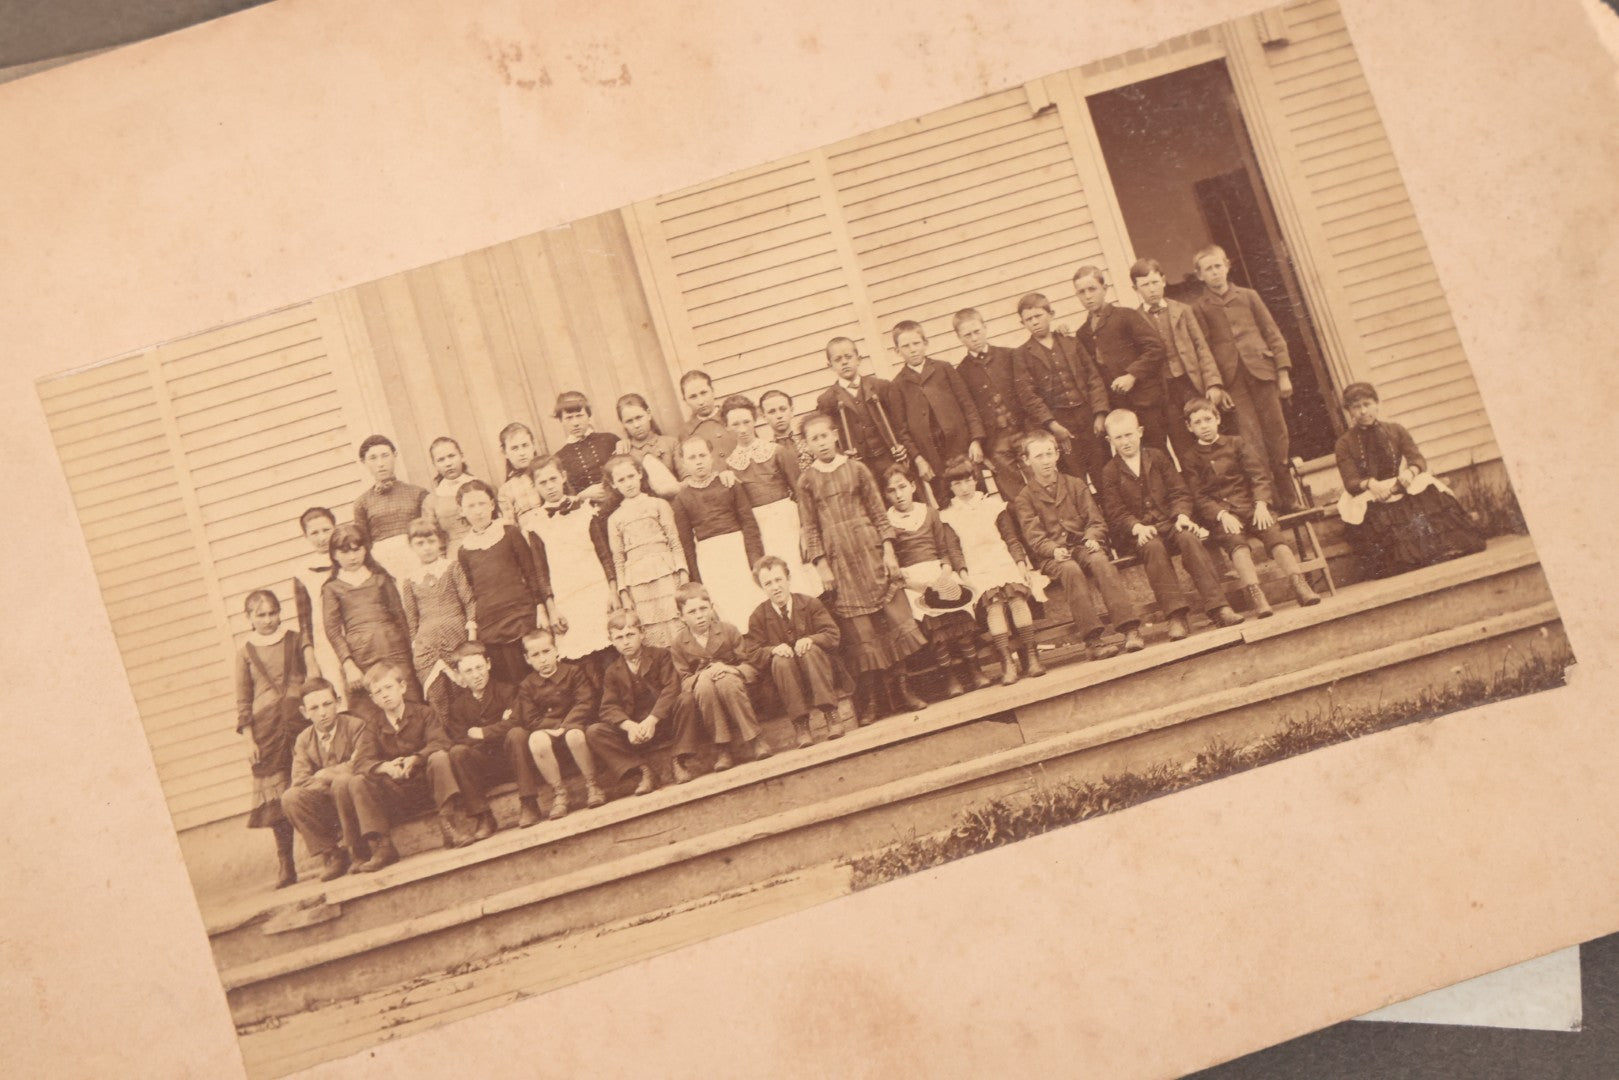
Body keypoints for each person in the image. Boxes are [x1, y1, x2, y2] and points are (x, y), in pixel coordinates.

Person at [797, 412, 928, 719]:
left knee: (890, 623)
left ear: (835, 436)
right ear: (807, 444)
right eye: (814, 438)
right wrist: (821, 565)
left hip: (870, 552)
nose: (822, 443)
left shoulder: (857, 470)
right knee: (862, 635)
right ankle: (874, 702)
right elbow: (810, 527)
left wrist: (889, 551)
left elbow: (879, 513)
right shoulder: (806, 481)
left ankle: (904, 692)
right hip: (840, 561)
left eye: (825, 436)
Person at [1098, 409, 1245, 640]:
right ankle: (1175, 615)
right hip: (1140, 532)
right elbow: (1115, 512)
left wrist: (1182, 516)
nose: (1125, 442)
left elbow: (1179, 492)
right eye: (1118, 438)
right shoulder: (1110, 472)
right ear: (1110, 440)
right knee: (1153, 548)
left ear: (1140, 432)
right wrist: (1136, 527)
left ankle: (1218, 607)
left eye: (1129, 435)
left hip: (1170, 521)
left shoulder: (1157, 458)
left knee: (1189, 538)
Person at [1179, 397, 1322, 614]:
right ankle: (1257, 596)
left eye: (1208, 419)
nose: (1204, 426)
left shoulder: (1237, 443)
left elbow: (1258, 477)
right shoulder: (1190, 458)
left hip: (1252, 506)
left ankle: (1299, 584)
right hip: (1224, 515)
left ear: (1217, 419)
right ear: (1189, 427)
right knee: (1236, 543)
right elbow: (1199, 496)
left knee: (1272, 533)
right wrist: (1221, 515)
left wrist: (1261, 504)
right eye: (1197, 422)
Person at [1011, 429, 1145, 660]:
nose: (1046, 461)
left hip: (1083, 545)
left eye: (1049, 454)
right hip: (1053, 557)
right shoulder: (1024, 498)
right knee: (1070, 569)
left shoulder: (1075, 485)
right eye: (1039, 456)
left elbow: (1095, 520)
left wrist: (1092, 537)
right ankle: (1093, 640)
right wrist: (1054, 549)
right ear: (1026, 461)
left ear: (1057, 455)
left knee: (1101, 561)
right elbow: (1034, 538)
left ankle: (1129, 629)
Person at [1333, 382, 1485, 578]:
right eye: (1356, 407)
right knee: (1375, 515)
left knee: (1426, 484)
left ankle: (1443, 547)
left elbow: (1417, 458)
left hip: (1398, 483)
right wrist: (1370, 483)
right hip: (1370, 491)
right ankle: (1407, 558)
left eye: (1367, 404)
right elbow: (1351, 481)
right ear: (1349, 411)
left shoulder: (1395, 430)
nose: (1363, 411)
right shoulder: (1344, 443)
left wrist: (1410, 472)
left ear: (1377, 404)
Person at [1190, 245, 1298, 509]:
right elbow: (1204, 350)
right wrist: (1217, 386)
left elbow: (1272, 334)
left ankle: (1290, 498)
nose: (1214, 273)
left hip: (1262, 373)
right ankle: (1267, 501)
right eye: (1208, 269)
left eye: (1218, 266)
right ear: (1200, 275)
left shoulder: (1249, 297)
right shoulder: (1199, 308)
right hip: (1233, 382)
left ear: (1227, 266)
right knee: (1250, 441)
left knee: (1277, 434)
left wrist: (1282, 374)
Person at [340, 662, 468, 871]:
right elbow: (362, 762)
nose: (385, 695)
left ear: (402, 687)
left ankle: (449, 825)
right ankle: (382, 846)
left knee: (439, 757)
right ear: (373, 699)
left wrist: (416, 758)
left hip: (428, 786)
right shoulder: (373, 726)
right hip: (397, 793)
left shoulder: (424, 713)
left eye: (389, 687)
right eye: (378, 692)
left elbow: (441, 742)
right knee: (358, 780)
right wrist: (385, 767)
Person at [938, 459, 1047, 685]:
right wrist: (965, 576)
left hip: (1003, 561)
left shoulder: (993, 505)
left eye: (968, 481)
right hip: (977, 570)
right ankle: (1007, 662)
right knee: (994, 606)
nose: (965, 488)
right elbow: (955, 550)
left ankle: (1032, 655)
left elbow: (1011, 539)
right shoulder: (948, 515)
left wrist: (1020, 564)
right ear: (950, 487)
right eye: (958, 484)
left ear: (975, 480)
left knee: (1017, 600)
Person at [881, 467, 986, 697]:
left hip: (939, 571)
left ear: (913, 486)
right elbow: (894, 566)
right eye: (891, 491)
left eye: (902, 487)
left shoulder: (929, 513)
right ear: (886, 495)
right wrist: (915, 585)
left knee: (956, 604)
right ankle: (950, 676)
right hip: (911, 580)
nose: (898, 494)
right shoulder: (887, 523)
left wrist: (945, 574)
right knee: (931, 619)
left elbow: (944, 550)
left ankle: (974, 668)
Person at [585, 609, 706, 797]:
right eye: (619, 638)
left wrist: (652, 720)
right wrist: (629, 726)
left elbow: (672, 689)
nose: (625, 642)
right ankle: (643, 770)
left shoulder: (660, 656)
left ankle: (679, 759)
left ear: (642, 634)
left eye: (630, 635)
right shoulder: (612, 671)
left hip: (663, 722)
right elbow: (608, 707)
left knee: (686, 700)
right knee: (594, 731)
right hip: (636, 732)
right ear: (612, 641)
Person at [234, 589, 311, 888]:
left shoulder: (295, 639)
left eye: (272, 613)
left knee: (308, 787)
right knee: (277, 800)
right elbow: (243, 700)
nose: (268, 620)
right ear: (249, 618)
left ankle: (331, 852)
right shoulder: (245, 652)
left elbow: (312, 675)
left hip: (299, 724)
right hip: (266, 731)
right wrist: (249, 740)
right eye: (260, 615)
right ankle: (286, 863)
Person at [1129, 259, 1231, 468]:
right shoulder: (1134, 319)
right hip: (1164, 391)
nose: (1152, 289)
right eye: (1145, 285)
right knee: (1182, 444)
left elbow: (1201, 347)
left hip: (1190, 384)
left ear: (1164, 281)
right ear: (1135, 289)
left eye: (1155, 282)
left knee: (1207, 436)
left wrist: (1213, 383)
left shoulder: (1183, 310)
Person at [744, 556, 850, 747]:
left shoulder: (809, 604)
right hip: (785, 682)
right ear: (762, 587)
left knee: (810, 651)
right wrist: (773, 650)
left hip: (819, 671)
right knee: (780, 660)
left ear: (788, 579)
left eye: (779, 580)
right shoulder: (758, 617)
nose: (775, 587)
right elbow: (752, 652)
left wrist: (811, 639)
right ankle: (801, 725)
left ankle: (831, 715)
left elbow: (833, 634)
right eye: (768, 583)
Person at [721, 395, 820, 596]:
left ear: (756, 419)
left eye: (747, 422)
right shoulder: (730, 465)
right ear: (727, 427)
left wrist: (805, 531)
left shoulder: (777, 451)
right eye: (736, 424)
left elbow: (802, 494)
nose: (742, 429)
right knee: (774, 577)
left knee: (799, 572)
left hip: (787, 520)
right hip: (760, 527)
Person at [455, 479, 550, 686]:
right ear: (462, 511)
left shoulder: (509, 533)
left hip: (521, 615)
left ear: (491, 504)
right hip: (491, 624)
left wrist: (540, 608)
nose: (478, 511)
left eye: (482, 504)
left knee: (533, 672)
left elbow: (530, 572)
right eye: (471, 506)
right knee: (510, 680)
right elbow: (472, 588)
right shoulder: (464, 550)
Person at [669, 583, 773, 771]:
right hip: (704, 694)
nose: (699, 615)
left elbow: (750, 664)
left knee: (726, 680)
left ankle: (755, 739)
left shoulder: (728, 630)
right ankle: (722, 747)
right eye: (692, 612)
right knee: (704, 686)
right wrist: (703, 675)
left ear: (711, 608)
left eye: (703, 609)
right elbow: (684, 681)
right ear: (681, 617)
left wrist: (731, 669)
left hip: (737, 687)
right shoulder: (678, 644)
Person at [951, 307, 1050, 500]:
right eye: (967, 335)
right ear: (959, 338)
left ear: (985, 328)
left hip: (1024, 431)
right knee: (1015, 495)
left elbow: (1027, 393)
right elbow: (968, 409)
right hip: (996, 442)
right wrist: (978, 441)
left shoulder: (1009, 355)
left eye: (977, 331)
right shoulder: (961, 372)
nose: (974, 338)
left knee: (1041, 481)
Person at [1071, 266, 1172, 455]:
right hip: (1118, 407)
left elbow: (1156, 348)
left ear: (1105, 288)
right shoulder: (1082, 332)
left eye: (1092, 289)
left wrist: (1132, 375)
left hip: (1146, 401)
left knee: (1157, 453)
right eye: (1081, 292)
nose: (1088, 296)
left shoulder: (1126, 316)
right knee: (1132, 457)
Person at [1015, 292, 1111, 487]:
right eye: (1028, 319)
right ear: (1022, 323)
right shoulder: (1022, 355)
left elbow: (1093, 377)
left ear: (1051, 314)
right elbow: (1028, 396)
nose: (1034, 322)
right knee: (1074, 477)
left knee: (1103, 470)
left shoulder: (1071, 342)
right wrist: (1052, 425)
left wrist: (1100, 413)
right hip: (1060, 423)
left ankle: (1114, 516)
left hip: (1088, 417)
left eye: (1038, 316)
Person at [528, 455, 617, 666]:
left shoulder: (586, 512)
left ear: (563, 477)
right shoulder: (535, 525)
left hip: (598, 592)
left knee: (611, 654)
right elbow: (541, 571)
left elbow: (605, 555)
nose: (550, 487)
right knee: (583, 663)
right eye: (542, 483)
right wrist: (552, 609)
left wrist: (613, 591)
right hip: (567, 600)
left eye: (553, 479)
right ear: (535, 487)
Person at [279, 679, 369, 882]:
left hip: (357, 798)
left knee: (344, 782)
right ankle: (333, 854)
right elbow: (300, 780)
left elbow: (360, 765)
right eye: (314, 708)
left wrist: (327, 774)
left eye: (327, 704)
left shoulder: (356, 727)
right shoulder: (304, 739)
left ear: (338, 702)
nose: (322, 713)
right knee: (290, 797)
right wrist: (332, 782)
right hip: (328, 801)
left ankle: (358, 849)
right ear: (304, 712)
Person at [671, 435, 765, 629]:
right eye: (692, 458)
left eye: (702, 455)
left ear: (711, 457)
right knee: (726, 609)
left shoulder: (729, 483)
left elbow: (749, 524)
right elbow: (687, 543)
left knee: (752, 600)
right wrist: (696, 580)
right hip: (710, 558)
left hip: (738, 550)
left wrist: (755, 560)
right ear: (683, 463)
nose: (698, 462)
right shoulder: (682, 498)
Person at [321, 521, 418, 708]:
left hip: (395, 649)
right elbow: (332, 631)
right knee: (372, 707)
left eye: (356, 550)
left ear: (365, 549)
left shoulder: (380, 579)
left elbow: (400, 617)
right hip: (362, 656)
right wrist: (349, 665)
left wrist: (412, 650)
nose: (352, 557)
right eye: (345, 552)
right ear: (334, 555)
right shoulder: (332, 588)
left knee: (409, 698)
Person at [511, 628, 602, 822]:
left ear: (556, 650)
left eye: (546, 652)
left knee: (574, 735)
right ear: (527, 659)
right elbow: (530, 719)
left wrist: (567, 724)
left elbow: (585, 702)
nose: (542, 659)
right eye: (535, 655)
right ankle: (559, 792)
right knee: (536, 740)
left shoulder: (573, 672)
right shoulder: (527, 685)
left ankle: (592, 784)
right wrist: (555, 727)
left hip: (575, 726)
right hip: (547, 732)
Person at [889, 319, 985, 500]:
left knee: (976, 495)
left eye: (916, 343)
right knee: (946, 502)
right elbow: (902, 431)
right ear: (897, 351)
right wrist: (918, 459)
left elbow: (968, 405)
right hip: (932, 458)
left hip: (962, 448)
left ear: (925, 343)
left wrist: (976, 440)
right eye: (906, 346)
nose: (913, 349)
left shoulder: (944, 369)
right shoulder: (897, 385)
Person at [605, 454, 688, 648]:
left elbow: (675, 542)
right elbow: (618, 558)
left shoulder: (659, 504)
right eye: (621, 480)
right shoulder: (614, 519)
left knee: (676, 620)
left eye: (631, 476)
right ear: (614, 484)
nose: (628, 483)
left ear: (640, 474)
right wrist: (624, 592)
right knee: (651, 626)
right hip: (638, 581)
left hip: (666, 573)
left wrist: (683, 575)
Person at [398, 517, 475, 725]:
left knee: (462, 692)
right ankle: (448, 741)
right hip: (427, 644)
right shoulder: (410, 579)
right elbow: (411, 617)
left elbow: (467, 599)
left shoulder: (451, 567)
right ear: (411, 546)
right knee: (437, 696)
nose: (427, 548)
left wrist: (472, 631)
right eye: (420, 544)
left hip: (456, 636)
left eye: (431, 541)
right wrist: (416, 643)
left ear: (440, 541)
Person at [435, 642, 514, 842]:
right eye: (468, 671)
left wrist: (483, 733)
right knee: (458, 753)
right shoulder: (458, 706)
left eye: (479, 667)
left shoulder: (507, 691)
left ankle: (529, 804)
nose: (476, 675)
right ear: (460, 676)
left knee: (517, 735)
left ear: (488, 664)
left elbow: (516, 722)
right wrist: (499, 727)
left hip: (511, 757)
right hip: (483, 765)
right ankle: (483, 816)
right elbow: (460, 738)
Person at [814, 336, 915, 477]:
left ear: (859, 359)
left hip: (890, 459)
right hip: (858, 466)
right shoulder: (827, 400)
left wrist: (902, 446)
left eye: (848, 357)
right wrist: (841, 455)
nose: (844, 362)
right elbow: (826, 436)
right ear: (830, 366)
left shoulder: (881, 387)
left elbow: (900, 422)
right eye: (838, 359)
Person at [350, 434, 428, 581]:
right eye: (373, 458)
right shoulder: (362, 503)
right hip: (384, 566)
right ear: (364, 462)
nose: (380, 463)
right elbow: (364, 545)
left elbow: (429, 533)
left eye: (385, 456)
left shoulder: (418, 493)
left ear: (395, 455)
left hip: (417, 559)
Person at [290, 506, 345, 705]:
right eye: (314, 533)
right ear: (306, 536)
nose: (322, 537)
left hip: (356, 637)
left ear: (335, 528)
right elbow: (304, 622)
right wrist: (311, 662)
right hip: (326, 645)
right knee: (339, 699)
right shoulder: (303, 573)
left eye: (326, 530)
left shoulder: (350, 559)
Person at [552, 391, 621, 503]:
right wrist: (582, 496)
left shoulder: (609, 440)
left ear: (588, 416)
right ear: (561, 421)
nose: (575, 423)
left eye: (579, 416)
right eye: (569, 418)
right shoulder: (559, 457)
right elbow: (561, 496)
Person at [419, 436, 480, 555]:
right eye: (441, 460)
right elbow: (433, 539)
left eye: (451, 456)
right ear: (434, 465)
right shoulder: (432, 500)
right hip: (456, 555)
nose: (448, 463)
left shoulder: (481, 486)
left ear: (462, 456)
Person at [615, 392, 681, 496]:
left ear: (649, 414)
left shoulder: (671, 443)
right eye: (629, 421)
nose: (636, 425)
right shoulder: (624, 453)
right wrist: (619, 458)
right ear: (623, 424)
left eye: (639, 417)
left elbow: (688, 477)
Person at [676, 370, 737, 476]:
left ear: (713, 391)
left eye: (704, 393)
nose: (701, 401)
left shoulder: (732, 416)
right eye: (693, 397)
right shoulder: (686, 432)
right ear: (685, 401)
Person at [495, 421, 547, 536]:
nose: (522, 453)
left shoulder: (547, 474)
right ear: (505, 453)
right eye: (514, 448)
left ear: (533, 446)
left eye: (525, 445)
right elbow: (511, 528)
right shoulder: (506, 490)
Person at [759, 388, 812, 470]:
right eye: (772, 412)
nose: (779, 416)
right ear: (764, 417)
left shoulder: (808, 444)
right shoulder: (766, 453)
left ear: (791, 411)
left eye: (783, 409)